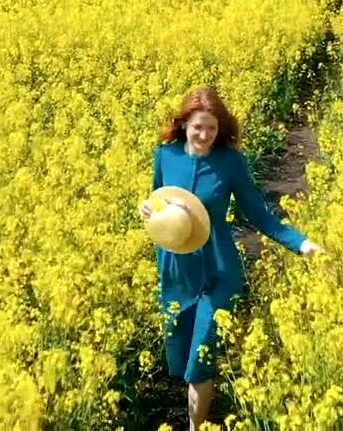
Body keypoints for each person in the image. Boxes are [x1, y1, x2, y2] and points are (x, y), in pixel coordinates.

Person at [139, 86, 324, 430]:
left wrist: (302, 244)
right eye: (198, 127)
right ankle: (204, 402)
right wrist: (146, 209)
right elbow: (155, 200)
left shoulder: (231, 162)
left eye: (212, 127)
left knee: (199, 361)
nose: (205, 134)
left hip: (218, 271)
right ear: (184, 124)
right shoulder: (165, 156)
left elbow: (259, 214)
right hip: (176, 270)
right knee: (181, 358)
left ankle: (196, 426)